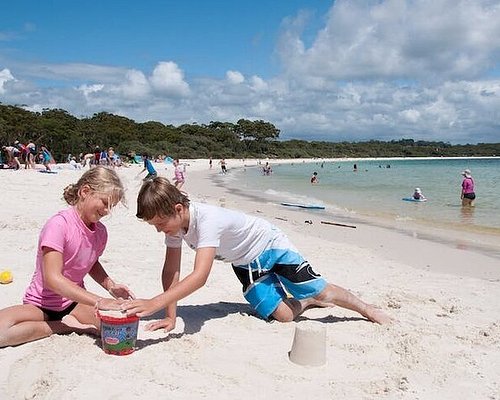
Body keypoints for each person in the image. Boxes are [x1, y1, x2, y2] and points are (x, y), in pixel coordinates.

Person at [121, 177, 391, 332]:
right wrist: (169, 315)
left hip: (270, 246)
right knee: (284, 316)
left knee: (321, 291)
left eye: (160, 223)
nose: (159, 231)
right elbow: (172, 272)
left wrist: (154, 303)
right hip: (245, 263)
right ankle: (306, 302)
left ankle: (366, 309)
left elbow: (200, 276)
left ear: (178, 209)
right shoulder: (175, 227)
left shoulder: (208, 220)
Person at [0, 167, 134, 347]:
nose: (107, 211)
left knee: (117, 330)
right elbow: (52, 279)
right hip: (41, 304)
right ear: (85, 191)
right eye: (105, 202)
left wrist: (110, 286)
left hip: (74, 302)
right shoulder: (59, 225)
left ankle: (68, 322)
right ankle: (62, 327)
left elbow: (90, 262)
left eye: (112, 206)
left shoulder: (101, 232)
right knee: (2, 330)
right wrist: (99, 301)